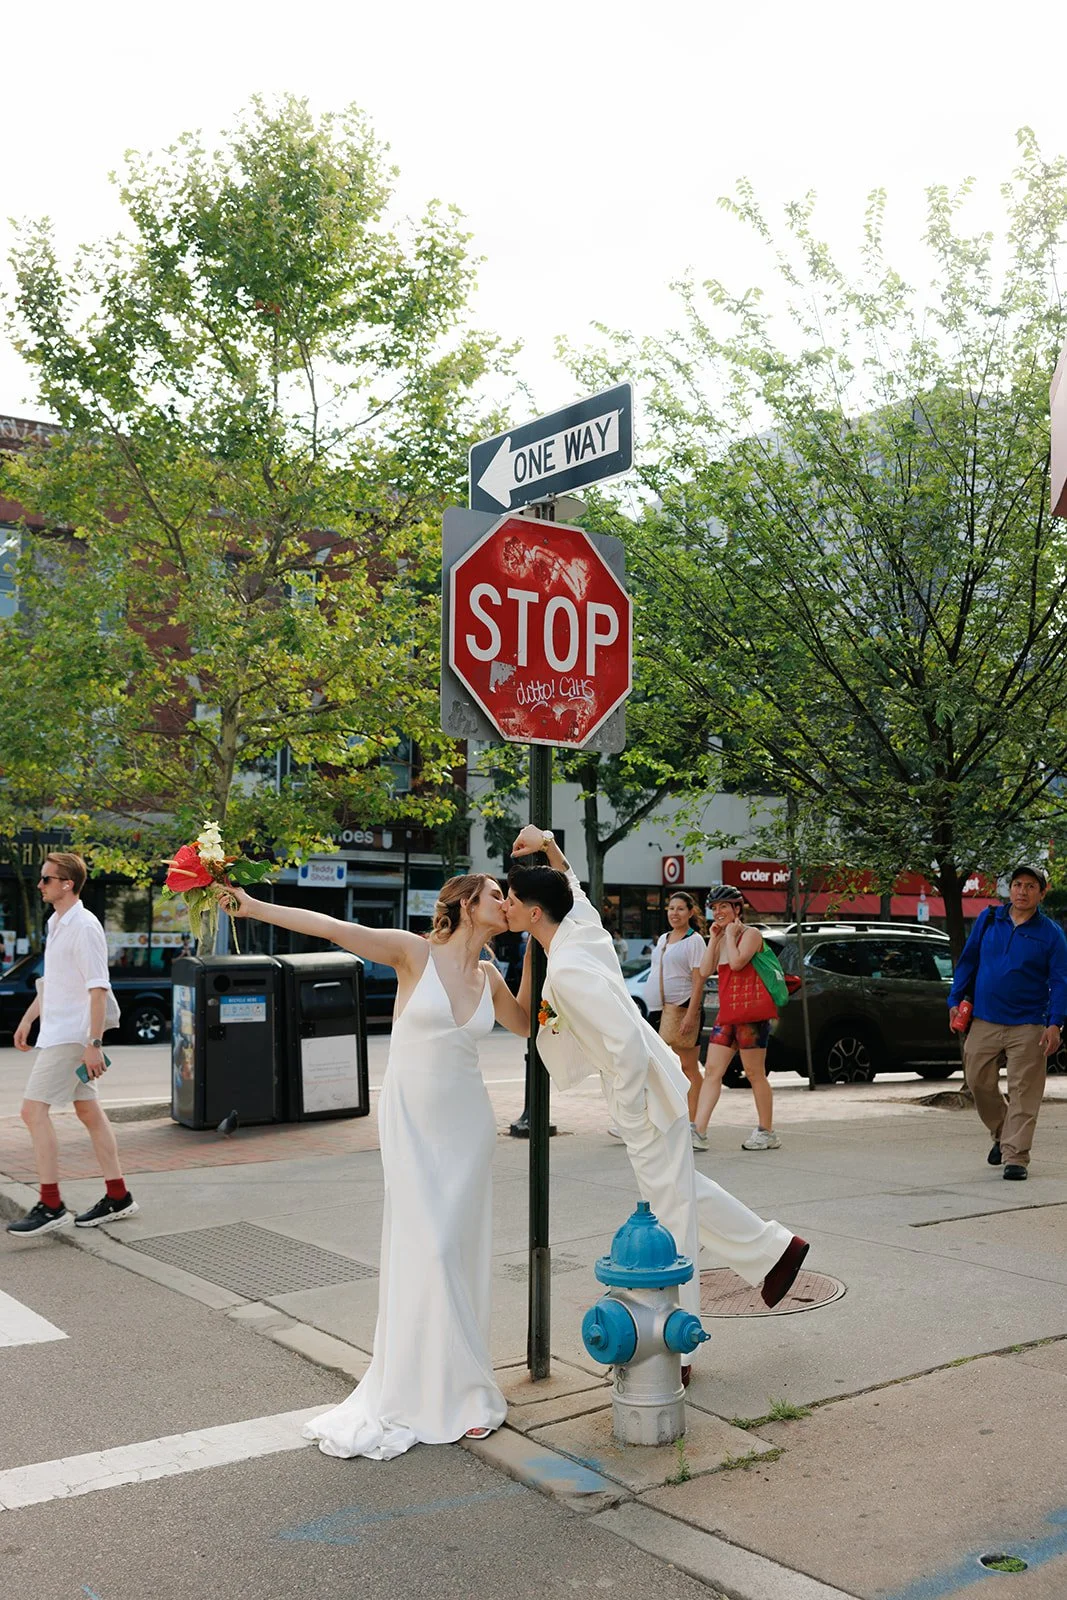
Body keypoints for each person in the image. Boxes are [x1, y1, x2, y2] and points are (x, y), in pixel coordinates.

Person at [224, 873, 530, 1458]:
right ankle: (427, 1389)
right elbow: (333, 927)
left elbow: (525, 1025)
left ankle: (464, 1388)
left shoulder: (490, 976)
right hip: (412, 1122)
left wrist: (539, 944)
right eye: (496, 894)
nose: (506, 901)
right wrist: (253, 906)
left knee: (458, 1252)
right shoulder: (414, 952)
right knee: (430, 1249)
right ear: (467, 904)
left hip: (468, 1127)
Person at [505, 825, 809, 1356]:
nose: (506, 906)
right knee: (680, 1191)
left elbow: (623, 1042)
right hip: (650, 1087)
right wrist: (549, 846)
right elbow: (573, 891)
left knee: (672, 1212)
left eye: (511, 900)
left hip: (642, 1095)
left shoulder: (571, 964)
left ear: (534, 914)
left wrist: (626, 1110)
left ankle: (681, 1344)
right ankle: (775, 1251)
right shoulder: (578, 933)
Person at [6, 854, 137, 1236]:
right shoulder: (57, 922)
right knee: (89, 1112)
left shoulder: (85, 925)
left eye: (46, 879)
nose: (40, 885)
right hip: (59, 1031)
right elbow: (56, 982)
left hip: (72, 1036)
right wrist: (29, 1019)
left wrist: (93, 1043)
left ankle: (51, 1205)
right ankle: (119, 1195)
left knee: (32, 1112)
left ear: (67, 883)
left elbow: (98, 988)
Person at [948, 864, 1067, 1180]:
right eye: (1017, 884)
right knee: (977, 1080)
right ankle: (1003, 1133)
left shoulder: (1052, 934)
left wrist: (1055, 1023)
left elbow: (1061, 981)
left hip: (1029, 1023)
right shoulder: (989, 920)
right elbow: (968, 961)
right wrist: (954, 1000)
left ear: (1042, 893)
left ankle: (1016, 1156)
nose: (1022, 891)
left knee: (1025, 1090)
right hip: (985, 1018)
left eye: (1030, 886)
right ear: (1009, 888)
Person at [693, 885, 781, 1151]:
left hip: (751, 1014)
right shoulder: (720, 935)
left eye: (724, 906)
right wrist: (714, 939)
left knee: (754, 1073)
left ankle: (767, 1132)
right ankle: (698, 1132)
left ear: (737, 908)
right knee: (712, 1071)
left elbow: (737, 963)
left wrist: (730, 936)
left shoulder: (751, 934)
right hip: (728, 1014)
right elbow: (705, 970)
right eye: (714, 908)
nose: (718, 912)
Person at [648, 891, 708, 1150]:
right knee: (657, 1067)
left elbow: (698, 981)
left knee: (688, 1067)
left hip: (683, 1009)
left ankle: (694, 1125)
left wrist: (691, 1014)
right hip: (659, 1010)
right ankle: (658, 1121)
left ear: (690, 912)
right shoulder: (664, 939)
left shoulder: (694, 941)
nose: (675, 913)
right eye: (671, 908)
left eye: (681, 909)